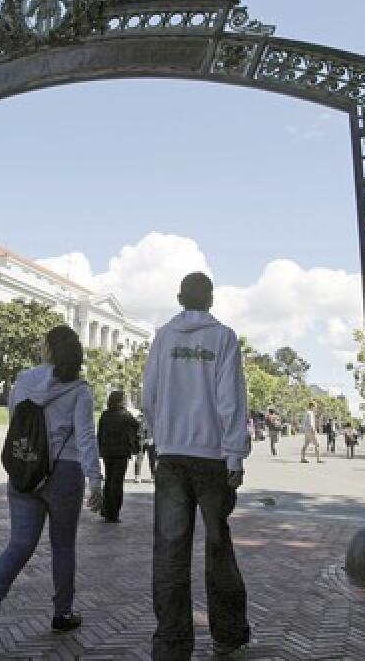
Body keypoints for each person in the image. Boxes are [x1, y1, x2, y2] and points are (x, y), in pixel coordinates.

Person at [0, 325, 103, 661]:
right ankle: (62, 612)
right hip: (64, 472)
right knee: (63, 545)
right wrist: (96, 480)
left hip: (24, 468)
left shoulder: (23, 380)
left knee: (19, 545)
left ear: (49, 349)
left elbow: (16, 421)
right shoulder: (79, 389)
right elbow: (85, 437)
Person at [142, 272, 251, 659]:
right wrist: (235, 453)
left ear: (178, 297)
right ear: (211, 299)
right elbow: (230, 398)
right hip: (212, 459)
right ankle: (228, 632)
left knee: (170, 550)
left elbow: (148, 395)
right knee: (218, 544)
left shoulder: (163, 337)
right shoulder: (222, 338)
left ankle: (170, 643)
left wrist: (161, 435)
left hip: (171, 457)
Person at [97, 390, 140, 521]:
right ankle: (113, 513)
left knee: (109, 481)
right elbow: (137, 427)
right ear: (120, 400)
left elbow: (100, 434)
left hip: (107, 453)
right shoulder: (126, 415)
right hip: (121, 453)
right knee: (117, 482)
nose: (126, 401)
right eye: (124, 398)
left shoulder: (105, 415)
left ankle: (105, 509)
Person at [134, 413, 157, 483]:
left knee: (140, 457)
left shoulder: (139, 418)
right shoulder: (153, 417)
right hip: (149, 439)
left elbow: (136, 429)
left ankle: (137, 476)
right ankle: (153, 476)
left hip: (141, 439)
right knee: (152, 458)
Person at [299, 401, 323, 465]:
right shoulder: (310, 413)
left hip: (306, 431)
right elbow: (311, 422)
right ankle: (318, 459)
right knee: (317, 444)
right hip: (311, 431)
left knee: (305, 445)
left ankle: (302, 458)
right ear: (312, 406)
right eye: (315, 406)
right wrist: (314, 430)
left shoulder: (306, 412)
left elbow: (304, 423)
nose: (315, 408)